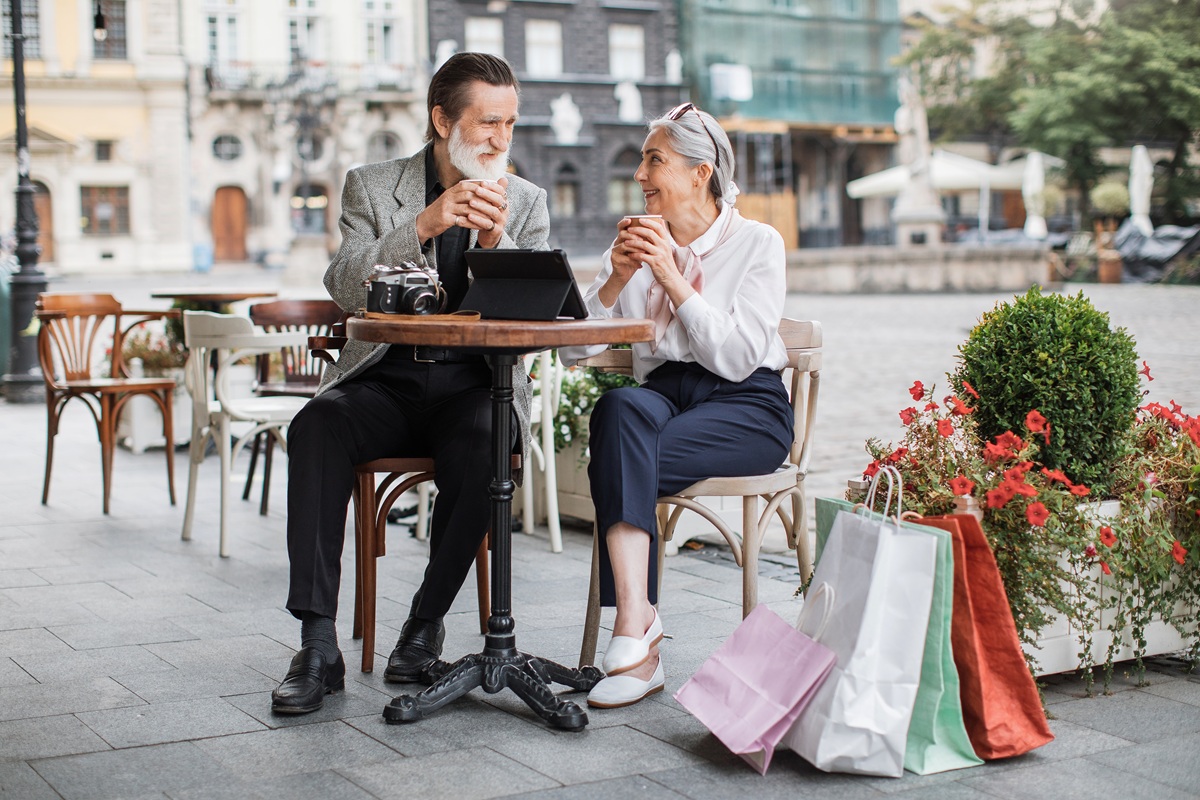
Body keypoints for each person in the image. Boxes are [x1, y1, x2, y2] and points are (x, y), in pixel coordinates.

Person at [271, 52, 550, 715]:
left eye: (509, 124)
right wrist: (422, 225)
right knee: (316, 425)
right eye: (487, 123)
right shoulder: (373, 185)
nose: (499, 140)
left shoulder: (527, 201)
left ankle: (422, 629)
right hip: (386, 380)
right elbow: (344, 284)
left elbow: (538, 316)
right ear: (441, 119)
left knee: (490, 439)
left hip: (474, 387)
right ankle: (317, 644)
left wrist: (495, 243)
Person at [559, 103, 794, 709]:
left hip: (748, 405)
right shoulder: (638, 245)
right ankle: (639, 621)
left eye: (653, 159)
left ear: (700, 172)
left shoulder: (757, 243)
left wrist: (671, 276)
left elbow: (740, 357)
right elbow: (571, 350)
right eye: (642, 159)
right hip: (666, 397)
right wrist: (614, 280)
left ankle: (636, 647)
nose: (639, 174)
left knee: (619, 458)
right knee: (618, 414)